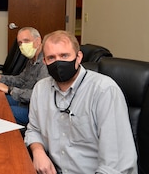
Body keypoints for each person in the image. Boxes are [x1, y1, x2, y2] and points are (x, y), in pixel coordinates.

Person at [24, 30, 137, 174]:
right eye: (51, 58)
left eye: (64, 55)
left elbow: (115, 165)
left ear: (78, 57)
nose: (58, 62)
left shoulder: (104, 91)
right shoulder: (41, 89)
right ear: (44, 61)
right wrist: (38, 151)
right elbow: (34, 129)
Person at [0, 27, 49, 125]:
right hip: (24, 101)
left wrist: (10, 90)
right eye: (20, 43)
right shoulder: (32, 59)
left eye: (26, 41)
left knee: (1, 111)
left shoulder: (46, 63)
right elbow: (21, 80)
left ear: (38, 41)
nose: (23, 45)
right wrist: (0, 78)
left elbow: (39, 96)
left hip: (35, 111)